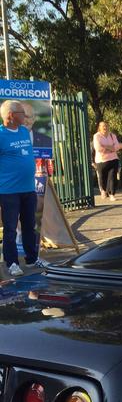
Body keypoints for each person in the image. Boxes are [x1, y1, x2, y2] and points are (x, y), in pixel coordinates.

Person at [0, 100, 49, 276]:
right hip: (8, 191)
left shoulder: (23, 131)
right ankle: (12, 263)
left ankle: (31, 258)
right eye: (22, 113)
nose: (26, 116)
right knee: (11, 228)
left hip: (28, 189)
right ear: (11, 116)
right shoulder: (1, 135)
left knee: (30, 225)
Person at [93, 121, 122, 201]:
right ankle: (103, 191)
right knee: (102, 177)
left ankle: (112, 194)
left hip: (113, 159)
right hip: (101, 161)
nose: (105, 127)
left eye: (106, 126)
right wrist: (110, 148)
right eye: (103, 126)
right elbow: (98, 148)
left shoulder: (112, 135)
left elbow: (117, 146)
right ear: (99, 127)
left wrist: (106, 147)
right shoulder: (96, 136)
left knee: (112, 177)